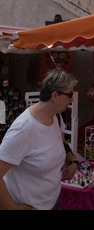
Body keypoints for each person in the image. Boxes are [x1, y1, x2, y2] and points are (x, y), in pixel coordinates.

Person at [0, 68, 78, 210]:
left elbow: (60, 141)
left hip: (52, 201)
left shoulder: (55, 115)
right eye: (69, 95)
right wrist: (12, 208)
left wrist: (72, 160)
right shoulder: (23, 129)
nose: (72, 99)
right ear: (54, 96)